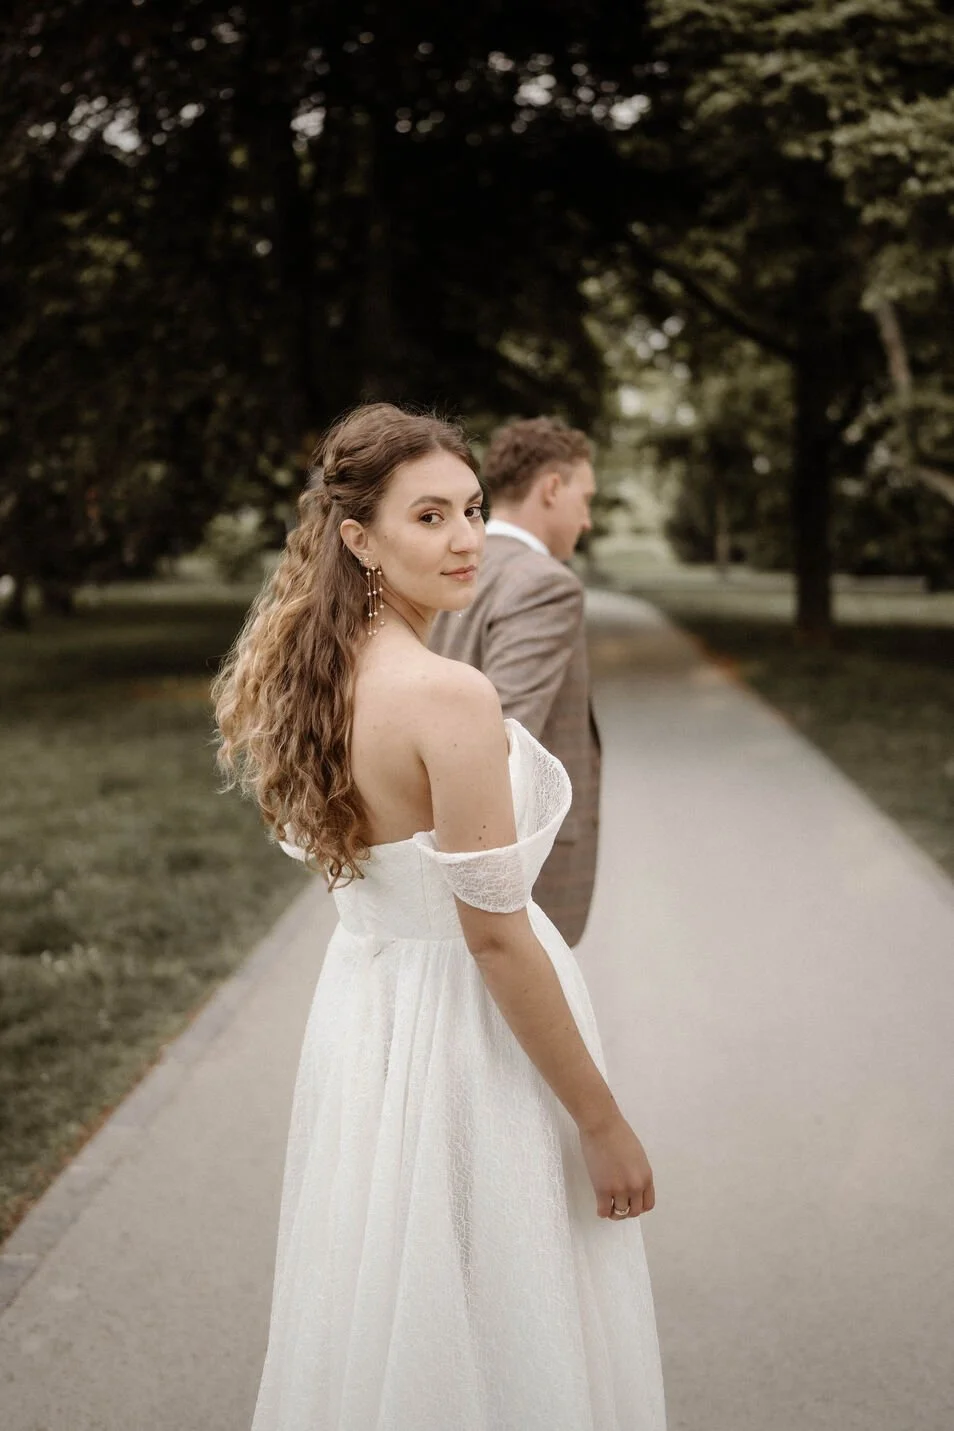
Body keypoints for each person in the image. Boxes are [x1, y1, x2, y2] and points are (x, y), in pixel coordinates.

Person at [213, 403, 665, 1431]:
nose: (466, 538)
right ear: (361, 540)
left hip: (369, 1016)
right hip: (472, 1036)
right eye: (429, 517)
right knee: (504, 1311)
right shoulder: (447, 696)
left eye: (470, 508)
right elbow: (495, 938)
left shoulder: (312, 675)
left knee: (401, 1300)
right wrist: (602, 1122)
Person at [429, 416, 600, 947]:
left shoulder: (442, 566)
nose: (587, 520)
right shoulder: (544, 583)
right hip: (512, 860)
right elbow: (503, 737)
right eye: (584, 499)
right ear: (552, 488)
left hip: (432, 840)